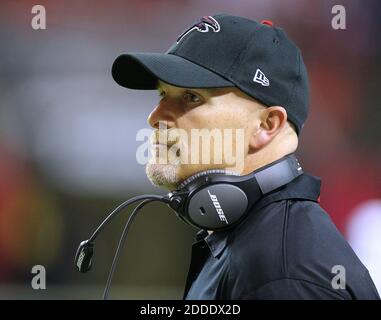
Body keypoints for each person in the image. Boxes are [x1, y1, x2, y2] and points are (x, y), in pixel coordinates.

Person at [111, 14, 380, 299]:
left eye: (191, 97)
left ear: (267, 125)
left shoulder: (282, 272)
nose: (155, 117)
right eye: (162, 94)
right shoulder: (251, 241)